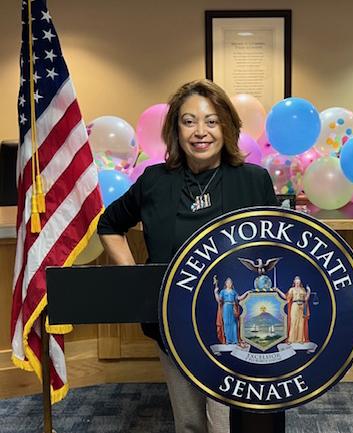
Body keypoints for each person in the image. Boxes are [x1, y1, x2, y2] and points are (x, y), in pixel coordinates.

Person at [97, 79, 278, 433]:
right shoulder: (153, 181)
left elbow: (274, 249)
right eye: (189, 121)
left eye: (211, 121)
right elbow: (109, 225)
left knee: (225, 422)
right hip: (172, 324)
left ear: (227, 126)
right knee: (190, 423)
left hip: (235, 328)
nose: (200, 132)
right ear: (175, 130)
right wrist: (136, 279)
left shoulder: (254, 180)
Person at [276, 276, 311, 343]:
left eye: (298, 281)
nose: (297, 283)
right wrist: (278, 291)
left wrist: (309, 291)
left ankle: (300, 339)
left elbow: (306, 298)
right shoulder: (292, 289)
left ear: (300, 282)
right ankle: (291, 339)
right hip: (295, 306)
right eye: (296, 281)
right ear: (294, 282)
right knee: (293, 322)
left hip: (302, 306)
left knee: (301, 322)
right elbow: (286, 297)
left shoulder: (303, 289)